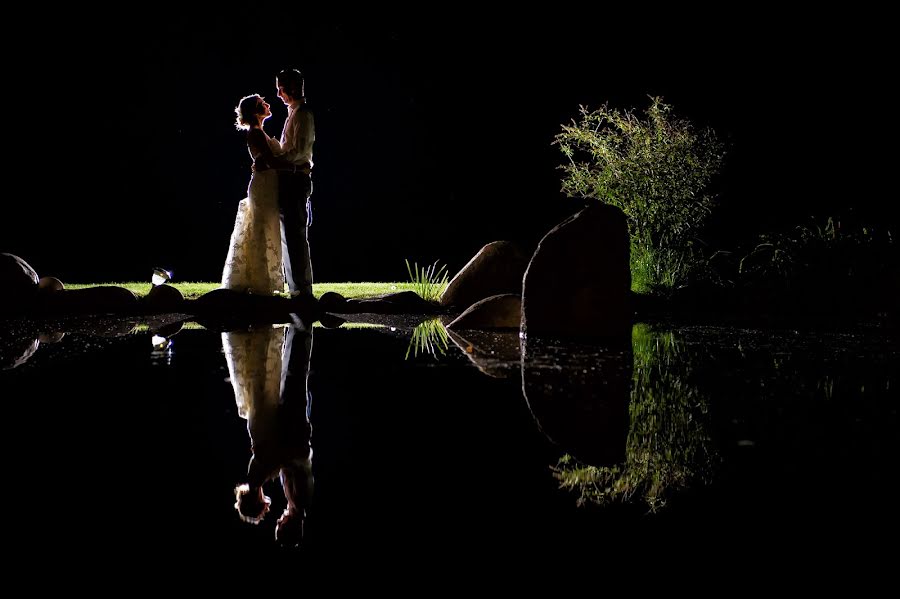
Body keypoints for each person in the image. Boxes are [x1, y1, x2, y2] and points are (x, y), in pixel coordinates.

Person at [227, 323, 314, 547]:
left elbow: (281, 460)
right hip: (295, 430)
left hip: (288, 429)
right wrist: (278, 460)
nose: (278, 517)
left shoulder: (292, 499)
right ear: (288, 524)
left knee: (288, 376)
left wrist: (276, 460)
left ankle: (293, 331)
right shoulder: (301, 500)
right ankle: (300, 330)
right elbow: (301, 462)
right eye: (280, 523)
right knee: (294, 374)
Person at [254, 68, 315, 299]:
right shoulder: (294, 113)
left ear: (292, 88)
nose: (278, 94)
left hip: (297, 180)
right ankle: (297, 289)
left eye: (281, 89)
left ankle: (302, 290)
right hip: (290, 179)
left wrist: (272, 163)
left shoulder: (302, 115)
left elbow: (297, 152)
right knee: (289, 237)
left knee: (295, 236)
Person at [221, 94, 285, 295]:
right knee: (261, 228)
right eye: (262, 104)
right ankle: (259, 280)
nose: (267, 104)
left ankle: (259, 278)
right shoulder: (256, 133)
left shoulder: (258, 132)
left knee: (263, 226)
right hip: (264, 184)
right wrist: (296, 165)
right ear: (256, 111)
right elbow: (270, 160)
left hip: (266, 182)